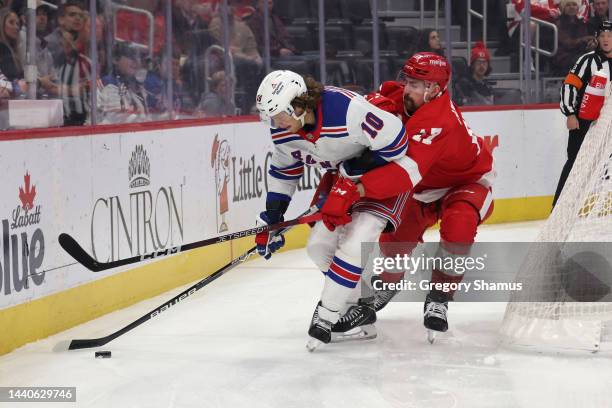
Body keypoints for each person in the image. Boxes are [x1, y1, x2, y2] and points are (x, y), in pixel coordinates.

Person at [322, 53, 495, 341]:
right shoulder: (395, 97)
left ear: (435, 89)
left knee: (459, 227)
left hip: (467, 182)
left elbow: (403, 174)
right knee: (393, 245)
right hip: (422, 187)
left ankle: (439, 296)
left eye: (416, 84)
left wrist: (357, 189)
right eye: (407, 81)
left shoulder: (440, 121)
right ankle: (386, 285)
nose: (407, 89)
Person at [254, 70, 411, 350]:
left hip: (387, 177)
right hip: (343, 181)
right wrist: (273, 219)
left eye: (278, 114)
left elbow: (397, 141)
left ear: (299, 103)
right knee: (317, 247)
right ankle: (361, 307)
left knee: (354, 242)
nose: (275, 123)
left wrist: (353, 176)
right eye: (270, 116)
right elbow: (284, 171)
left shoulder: (346, 109)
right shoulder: (284, 130)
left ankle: (327, 318)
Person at [553, 20, 612, 207]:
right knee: (575, 163)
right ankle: (559, 207)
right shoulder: (587, 61)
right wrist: (570, 113)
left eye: (610, 36)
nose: (606, 40)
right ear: (596, 38)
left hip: (608, 124)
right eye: (602, 36)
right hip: (583, 122)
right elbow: (570, 85)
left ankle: (602, 204)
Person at [97, 43, 150, 124]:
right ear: (116, 59)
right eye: (130, 56)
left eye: (137, 57)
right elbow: (119, 118)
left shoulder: (133, 86)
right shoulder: (108, 83)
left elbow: (146, 115)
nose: (136, 61)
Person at [553, 0, 598, 75]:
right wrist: (583, 40)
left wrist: (591, 43)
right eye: (568, 5)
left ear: (578, 8)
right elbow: (566, 43)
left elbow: (585, 42)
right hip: (564, 56)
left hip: (579, 54)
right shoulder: (558, 23)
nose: (571, 7)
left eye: (574, 4)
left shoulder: (581, 23)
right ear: (563, 8)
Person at [45, 1, 85, 67]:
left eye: (81, 16)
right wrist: (66, 51)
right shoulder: (48, 42)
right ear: (61, 19)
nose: (78, 18)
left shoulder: (81, 41)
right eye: (72, 15)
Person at [454, 41, 494, 106]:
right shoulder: (464, 84)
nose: (482, 66)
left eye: (484, 63)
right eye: (478, 62)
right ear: (473, 65)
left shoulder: (487, 87)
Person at [0, 7, 25, 94]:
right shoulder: (3, 49)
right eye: (11, 22)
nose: (16, 27)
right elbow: (13, 80)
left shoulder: (12, 50)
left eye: (18, 24)